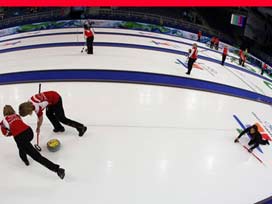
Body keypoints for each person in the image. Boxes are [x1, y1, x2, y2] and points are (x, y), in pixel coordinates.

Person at [0, 105, 65, 179]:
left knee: (37, 157)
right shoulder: (16, 116)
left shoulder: (3, 122)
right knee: (21, 147)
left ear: (4, 113)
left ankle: (57, 169)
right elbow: (19, 124)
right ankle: (24, 159)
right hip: (29, 132)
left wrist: (12, 132)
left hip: (20, 137)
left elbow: (5, 133)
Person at [19, 91, 87, 137]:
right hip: (50, 100)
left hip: (56, 99)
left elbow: (40, 119)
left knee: (62, 118)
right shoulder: (29, 101)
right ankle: (59, 127)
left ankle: (81, 127)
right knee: (49, 114)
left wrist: (38, 127)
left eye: (27, 113)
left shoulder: (36, 107)